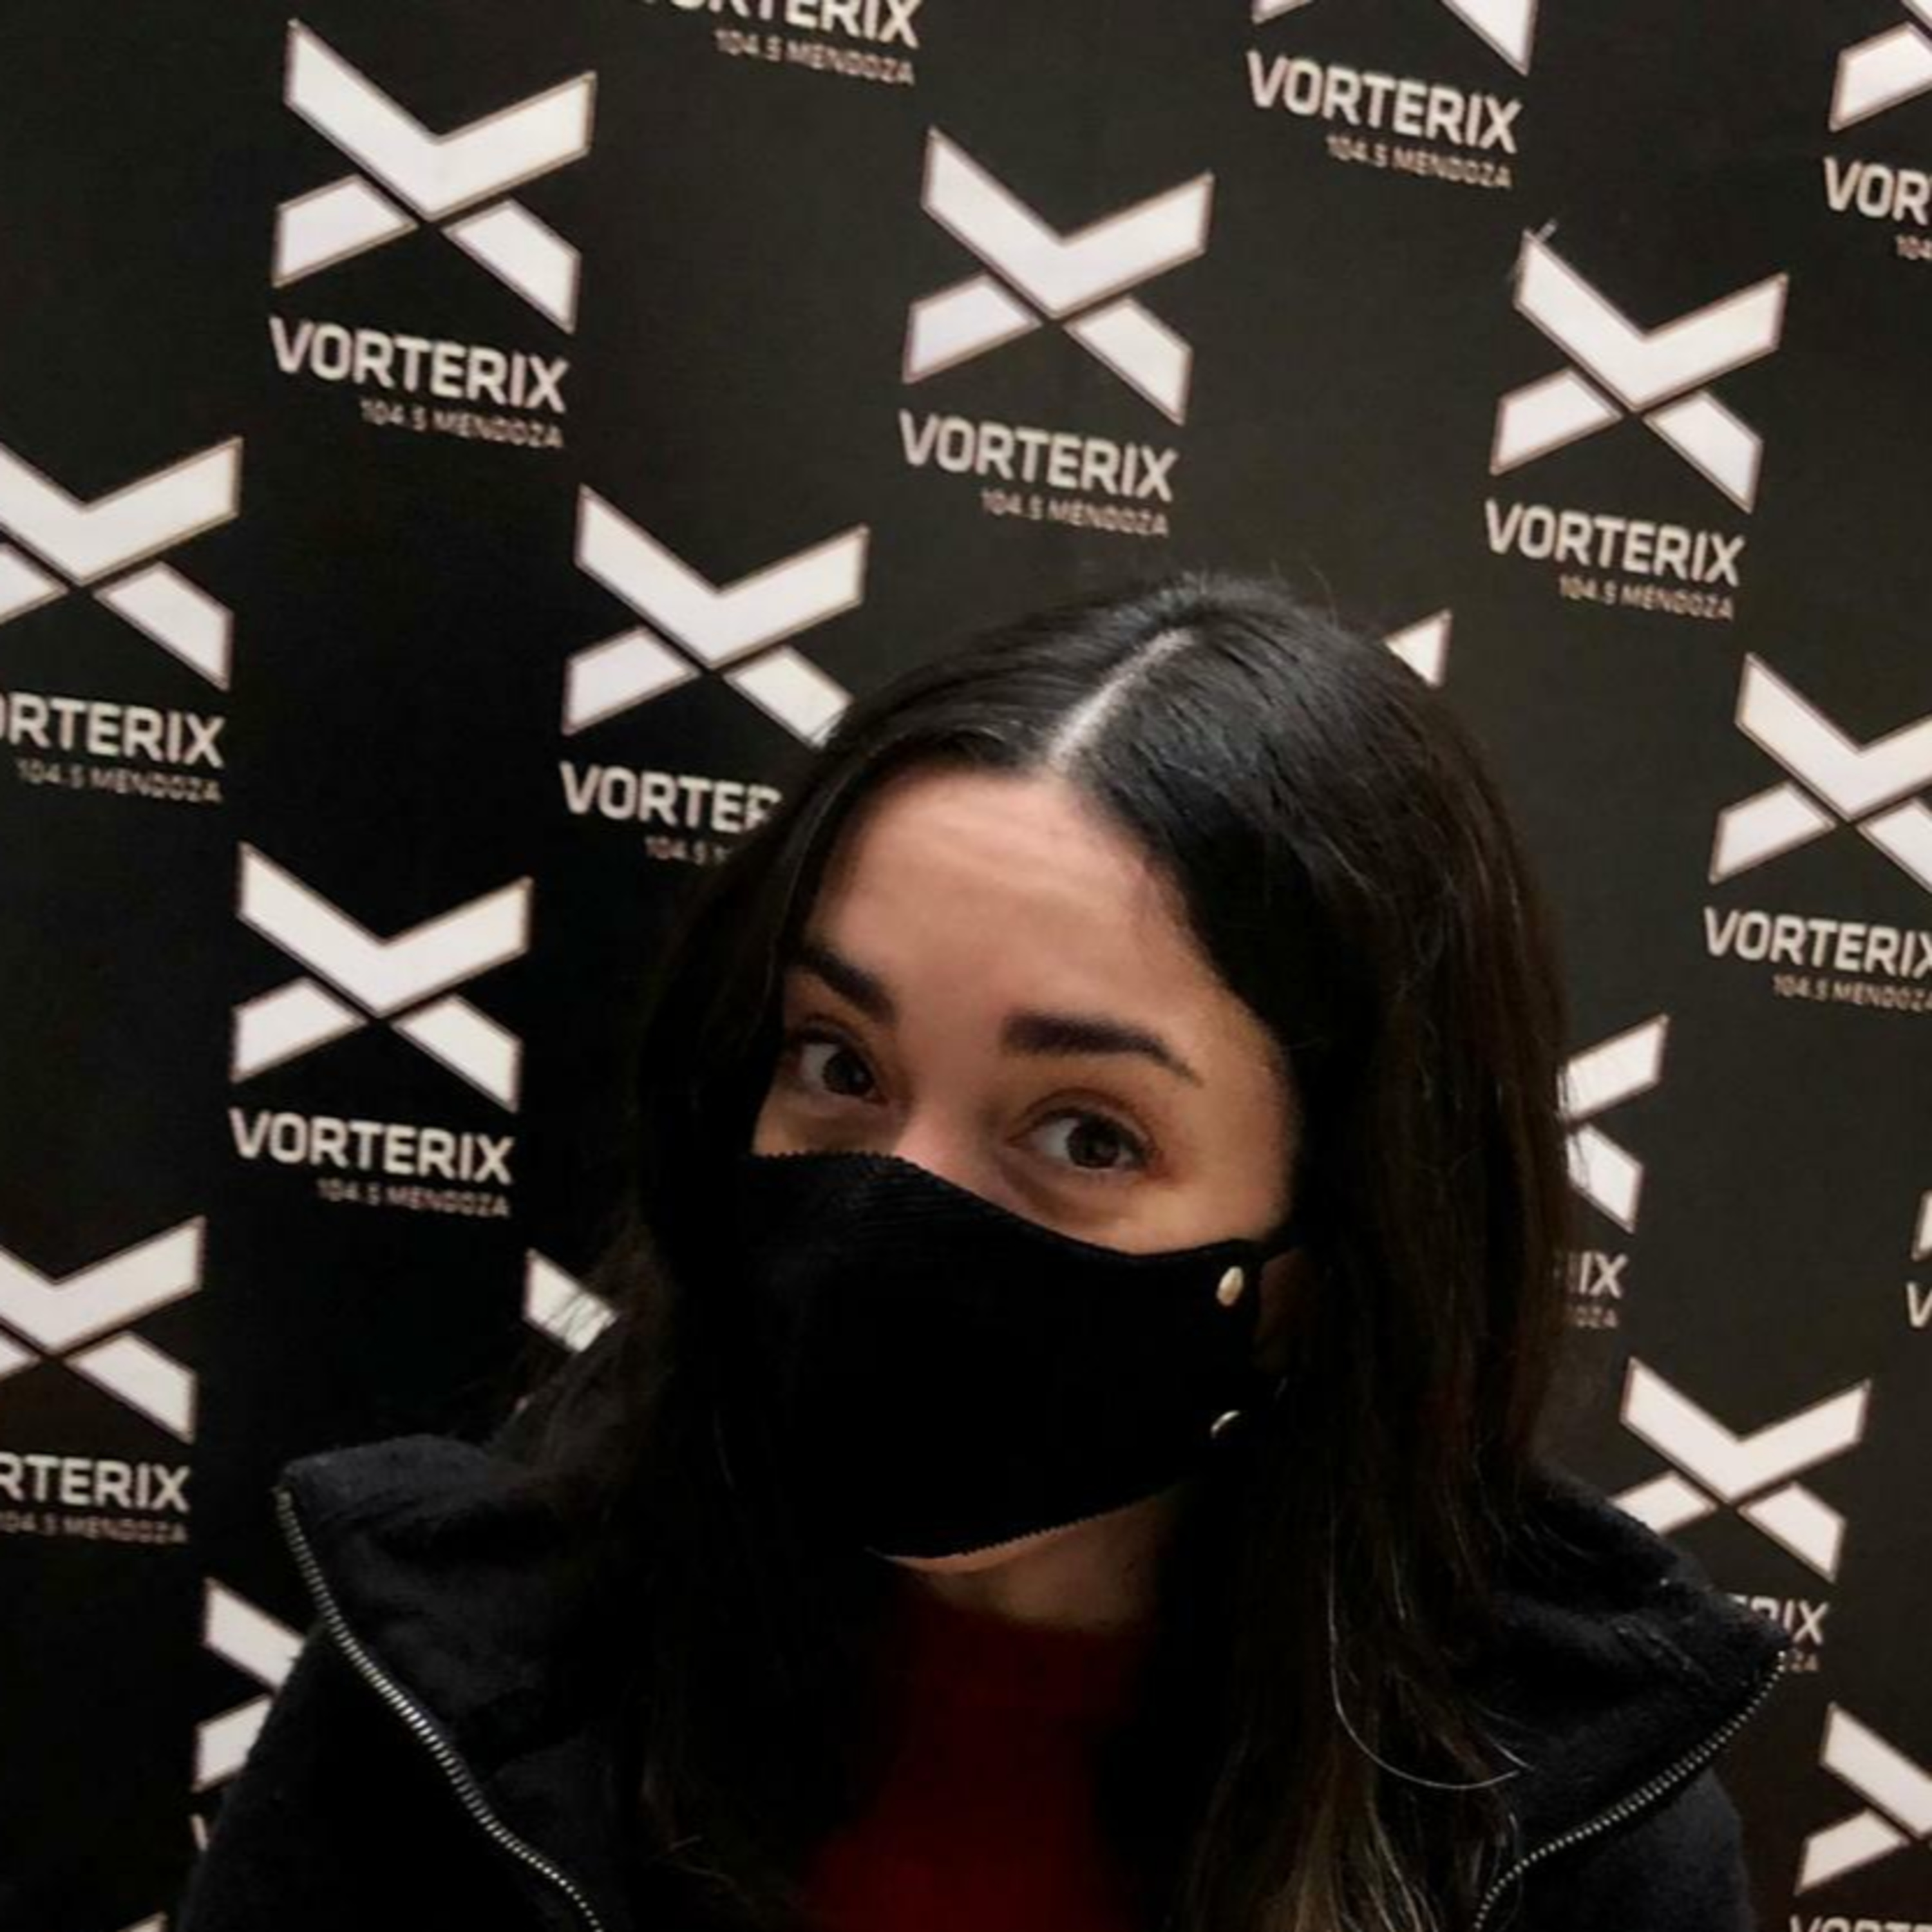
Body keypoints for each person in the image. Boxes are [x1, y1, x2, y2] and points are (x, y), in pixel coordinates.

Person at [173, 569, 1793, 1932]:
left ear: (1323, 1263)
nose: (895, 1210)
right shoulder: (450, 1689)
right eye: (840, 1062)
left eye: (1087, 1134)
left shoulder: (1573, 1832)